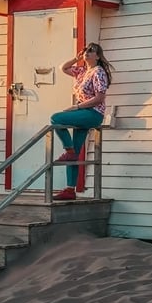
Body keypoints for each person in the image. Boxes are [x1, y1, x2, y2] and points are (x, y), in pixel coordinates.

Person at [50, 43, 113, 201]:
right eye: (86, 51)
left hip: (93, 113)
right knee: (75, 154)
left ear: (97, 56)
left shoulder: (98, 72)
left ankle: (68, 151)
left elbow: (99, 98)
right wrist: (76, 58)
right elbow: (63, 68)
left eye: (91, 51)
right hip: (83, 112)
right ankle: (70, 189)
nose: (87, 53)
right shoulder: (82, 71)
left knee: (56, 118)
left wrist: (76, 107)